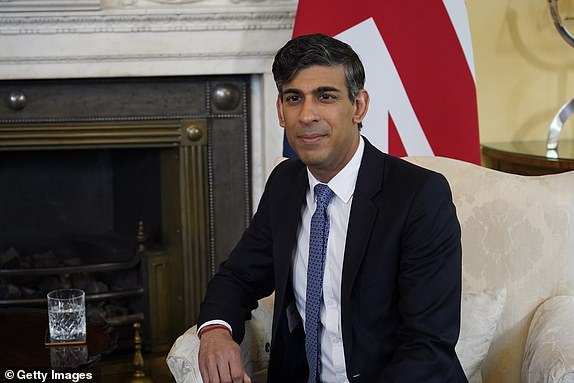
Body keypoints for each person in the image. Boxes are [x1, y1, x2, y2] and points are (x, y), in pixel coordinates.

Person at [197, 33, 467, 383]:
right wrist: (216, 332)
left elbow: (427, 347)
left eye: (325, 96)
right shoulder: (285, 183)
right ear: (281, 111)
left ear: (358, 107)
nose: (307, 115)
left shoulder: (419, 195)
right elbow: (238, 277)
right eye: (294, 98)